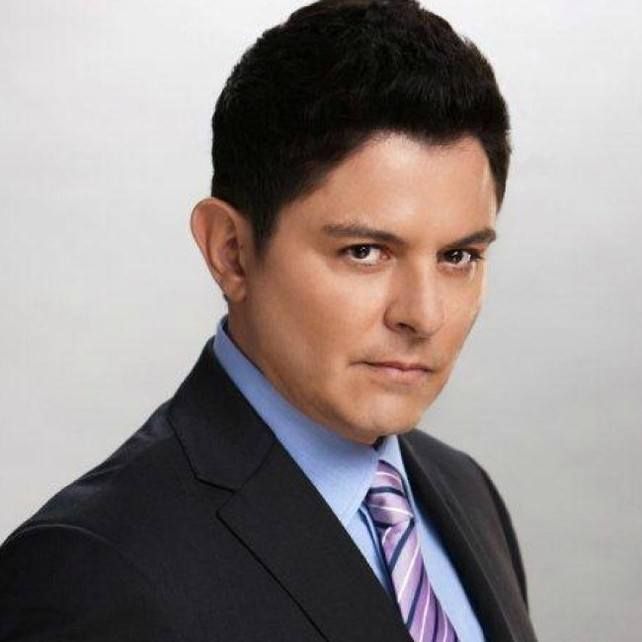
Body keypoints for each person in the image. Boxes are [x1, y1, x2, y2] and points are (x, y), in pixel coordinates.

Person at [0, 1, 538, 640]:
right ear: (230, 251)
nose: (423, 315)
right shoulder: (89, 573)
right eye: (364, 252)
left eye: (458, 257)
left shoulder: (466, 492)